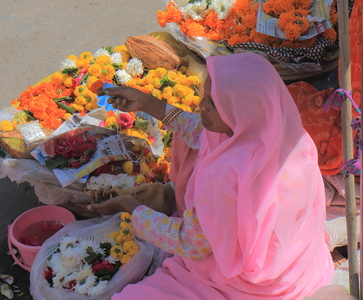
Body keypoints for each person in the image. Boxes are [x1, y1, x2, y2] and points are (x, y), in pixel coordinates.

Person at [87, 52, 334, 299]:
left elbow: (190, 243)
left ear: (241, 109)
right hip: (294, 265)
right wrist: (145, 102)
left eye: (213, 102)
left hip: (253, 286)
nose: (201, 104)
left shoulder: (224, 174)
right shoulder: (289, 135)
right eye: (205, 95)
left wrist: (131, 207)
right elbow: (201, 132)